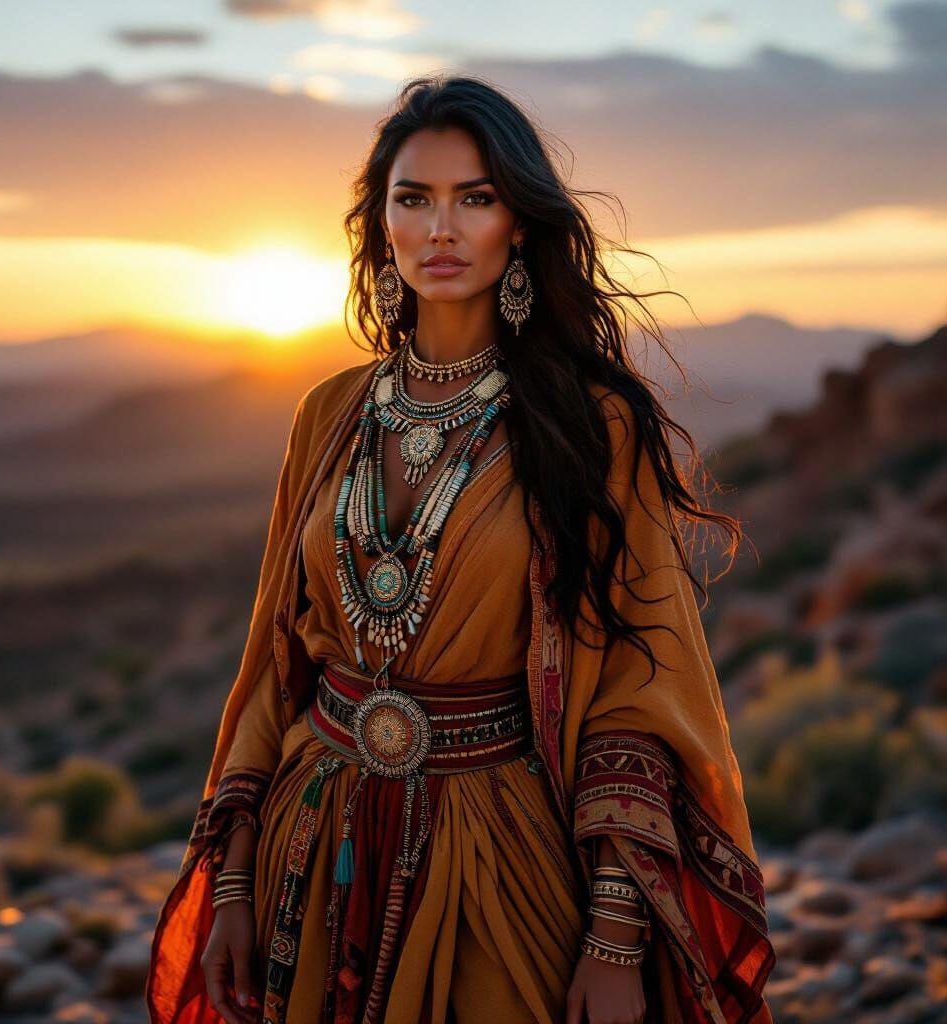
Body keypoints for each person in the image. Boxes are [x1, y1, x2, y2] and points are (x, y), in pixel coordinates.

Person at [146, 75, 775, 1024]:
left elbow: (643, 688)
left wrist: (613, 937)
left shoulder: (589, 423)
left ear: (518, 224)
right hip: (310, 849)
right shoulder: (327, 413)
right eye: (415, 198)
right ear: (382, 225)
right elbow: (277, 664)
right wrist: (232, 884)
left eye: (475, 198)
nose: (442, 228)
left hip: (498, 861)